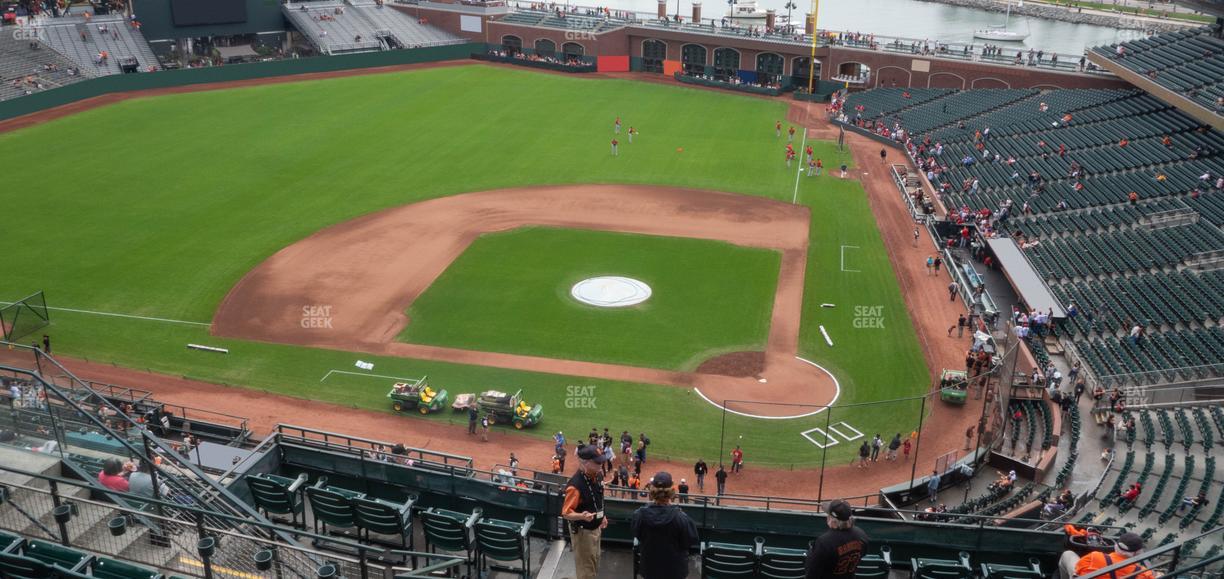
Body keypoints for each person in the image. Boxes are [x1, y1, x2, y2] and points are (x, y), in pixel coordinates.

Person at [631, 472, 699, 579]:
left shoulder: (639, 515)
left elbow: (637, 534)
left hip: (650, 570)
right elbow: (690, 541)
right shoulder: (681, 517)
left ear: (652, 490)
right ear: (671, 491)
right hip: (675, 572)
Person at [563, 445, 609, 579]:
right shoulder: (575, 485)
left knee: (594, 563)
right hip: (583, 534)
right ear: (585, 463)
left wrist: (602, 515)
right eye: (597, 462)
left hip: (596, 528)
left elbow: (598, 497)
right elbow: (566, 513)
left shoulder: (598, 475)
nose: (601, 464)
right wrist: (581, 516)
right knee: (586, 571)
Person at [803, 500, 868, 579]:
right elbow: (862, 554)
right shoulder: (861, 535)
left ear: (832, 519)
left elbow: (811, 574)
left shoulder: (824, 542)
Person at [1058, 532, 1153, 579]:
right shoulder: (1143, 573)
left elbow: (1077, 572)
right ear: (1137, 553)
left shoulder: (1094, 556)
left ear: (1116, 546)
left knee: (1068, 554)